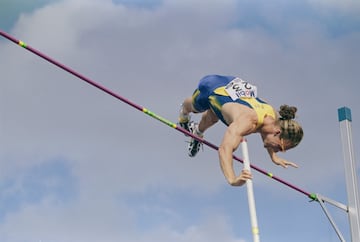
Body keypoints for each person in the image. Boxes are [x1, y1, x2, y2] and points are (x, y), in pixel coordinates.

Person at [178, 75, 304, 186]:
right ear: (277, 132)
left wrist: (273, 156)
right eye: (281, 148)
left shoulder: (273, 118)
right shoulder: (247, 122)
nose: (278, 150)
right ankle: (183, 115)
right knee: (195, 107)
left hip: (232, 85)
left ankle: (197, 134)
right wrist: (232, 179)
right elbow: (224, 149)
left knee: (213, 117)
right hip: (211, 86)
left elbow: (267, 133)